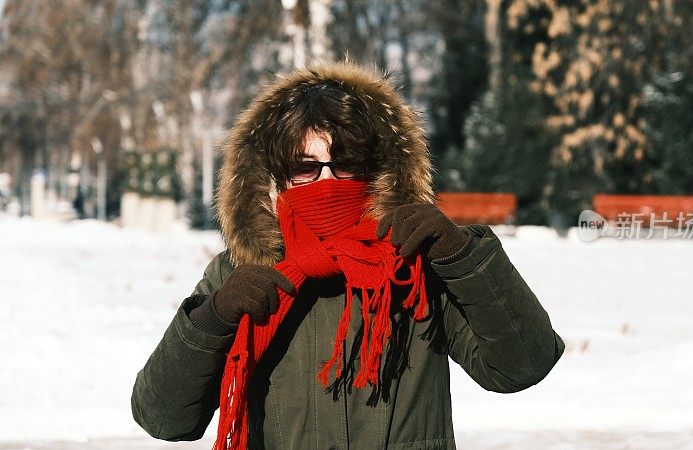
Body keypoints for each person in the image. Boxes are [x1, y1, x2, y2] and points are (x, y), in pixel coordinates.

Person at [131, 59, 565, 450]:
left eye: (346, 163)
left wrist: (461, 256)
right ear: (275, 178)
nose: (327, 181)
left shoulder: (416, 263)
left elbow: (522, 365)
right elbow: (164, 419)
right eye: (305, 167)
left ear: (378, 168)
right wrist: (215, 316)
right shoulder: (243, 273)